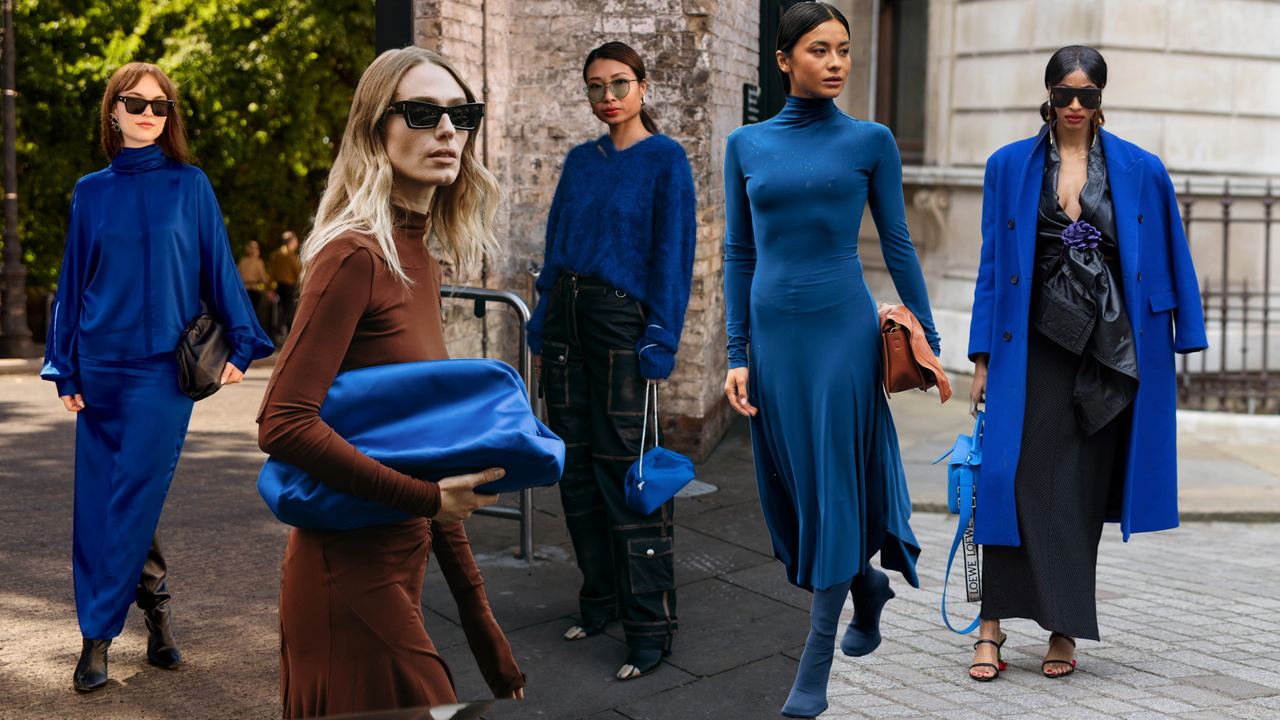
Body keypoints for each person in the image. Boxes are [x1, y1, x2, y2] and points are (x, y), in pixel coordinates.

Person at [256, 47, 526, 717]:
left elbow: (429, 451)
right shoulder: (353, 255)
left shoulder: (418, 258)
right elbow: (282, 423)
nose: (446, 131)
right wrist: (426, 498)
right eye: (422, 112)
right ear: (376, 129)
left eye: (461, 115)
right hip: (343, 575)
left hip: (398, 571)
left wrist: (478, 619)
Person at [722, 4, 940, 716]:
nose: (838, 62)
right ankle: (866, 588)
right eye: (820, 50)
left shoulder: (871, 140)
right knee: (804, 490)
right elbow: (739, 253)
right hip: (774, 337)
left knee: (835, 490)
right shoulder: (745, 146)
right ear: (784, 59)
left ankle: (811, 672)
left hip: (843, 333)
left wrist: (929, 341)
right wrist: (736, 353)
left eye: (844, 50)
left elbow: (899, 243)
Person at [966, 46, 1206, 681]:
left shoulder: (1141, 168)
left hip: (1108, 350)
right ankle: (989, 625)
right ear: (1048, 95)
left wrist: (1185, 333)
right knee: (1008, 479)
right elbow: (993, 265)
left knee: (1077, 486)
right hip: (1032, 347)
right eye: (1065, 94)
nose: (1075, 106)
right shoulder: (1009, 165)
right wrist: (982, 356)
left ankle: (1064, 629)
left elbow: (1172, 253)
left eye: (1088, 95)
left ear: (1102, 99)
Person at [41, 62, 273, 692]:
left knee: (134, 491)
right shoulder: (90, 192)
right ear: (112, 111)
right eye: (135, 102)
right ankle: (159, 618)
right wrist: (64, 365)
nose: (149, 112)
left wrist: (244, 343)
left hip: (162, 373)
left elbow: (219, 269)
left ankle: (96, 639)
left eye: (161, 105)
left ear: (170, 117)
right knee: (105, 499)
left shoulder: (191, 186)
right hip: (100, 366)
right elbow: (71, 284)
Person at [525, 41, 696, 681]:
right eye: (595, 87)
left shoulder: (666, 161)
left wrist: (662, 337)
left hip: (622, 324)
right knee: (573, 470)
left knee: (628, 472)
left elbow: (673, 257)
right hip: (567, 320)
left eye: (618, 84)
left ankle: (650, 624)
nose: (607, 98)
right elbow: (555, 247)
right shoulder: (580, 161)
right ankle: (599, 600)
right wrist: (542, 329)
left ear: (643, 87)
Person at [269, 230, 302, 336]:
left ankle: (288, 334)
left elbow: (272, 272)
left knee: (283, 310)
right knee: (287, 311)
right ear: (291, 242)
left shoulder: (277, 254)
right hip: (289, 286)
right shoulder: (291, 256)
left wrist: (269, 288)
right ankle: (276, 332)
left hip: (279, 286)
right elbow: (298, 273)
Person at [238, 239, 271, 325]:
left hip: (243, 290)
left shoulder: (242, 262)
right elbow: (263, 277)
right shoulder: (258, 262)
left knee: (245, 312)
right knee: (254, 312)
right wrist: (268, 287)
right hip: (254, 290)